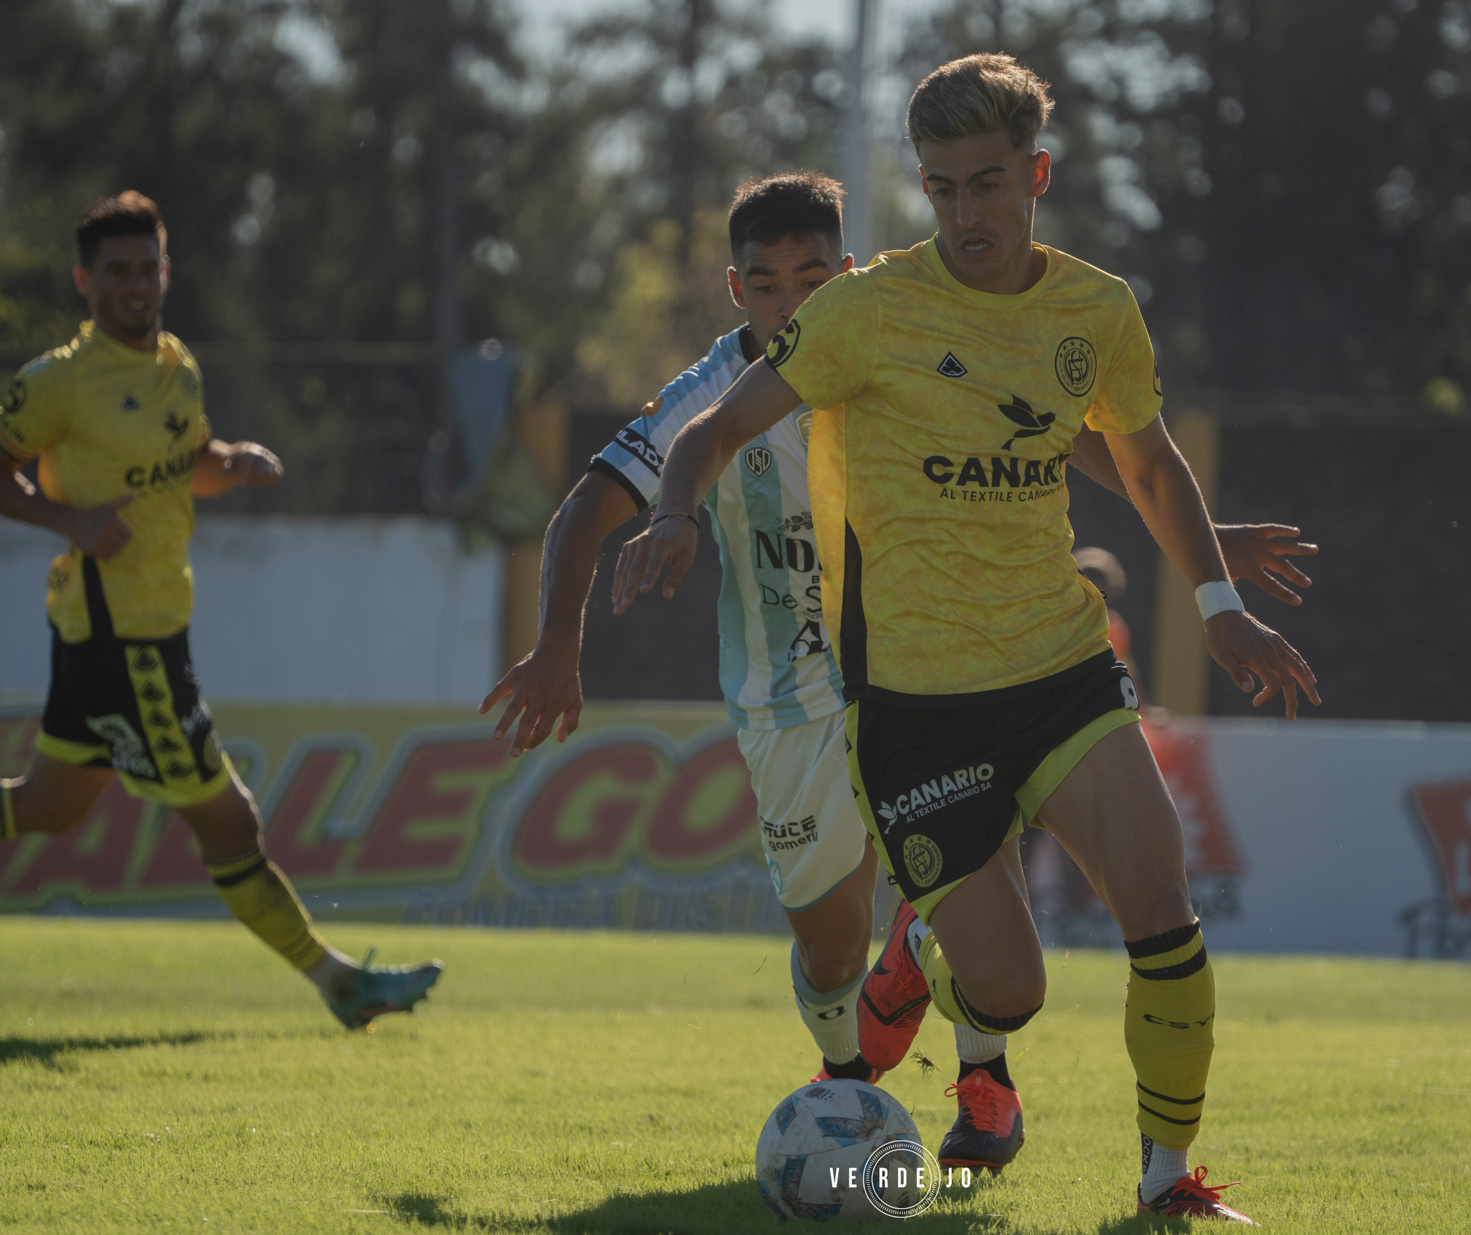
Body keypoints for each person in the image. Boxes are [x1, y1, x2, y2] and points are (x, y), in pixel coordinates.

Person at [484, 173, 1315, 1171]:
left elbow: (1051, 426)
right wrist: (560, 644)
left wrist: (1198, 537)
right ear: (733, 289)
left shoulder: (897, 317)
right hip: (787, 698)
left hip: (926, 670)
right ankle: (856, 1073)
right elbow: (585, 506)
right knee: (830, 950)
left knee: (994, 897)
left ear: (843, 269)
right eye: (764, 284)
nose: (789, 302)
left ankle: (984, 1081)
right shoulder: (708, 394)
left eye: (809, 277)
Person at [0, 193, 441, 1031]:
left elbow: (186, 461)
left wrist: (229, 461)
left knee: (49, 805)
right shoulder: (58, 382)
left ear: (166, 269)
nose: (136, 283)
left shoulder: (177, 365)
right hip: (124, 640)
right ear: (83, 281)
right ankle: (338, 981)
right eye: (117, 271)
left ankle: (338, 981)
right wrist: (70, 522)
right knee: (229, 818)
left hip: (142, 628)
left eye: (148, 266)